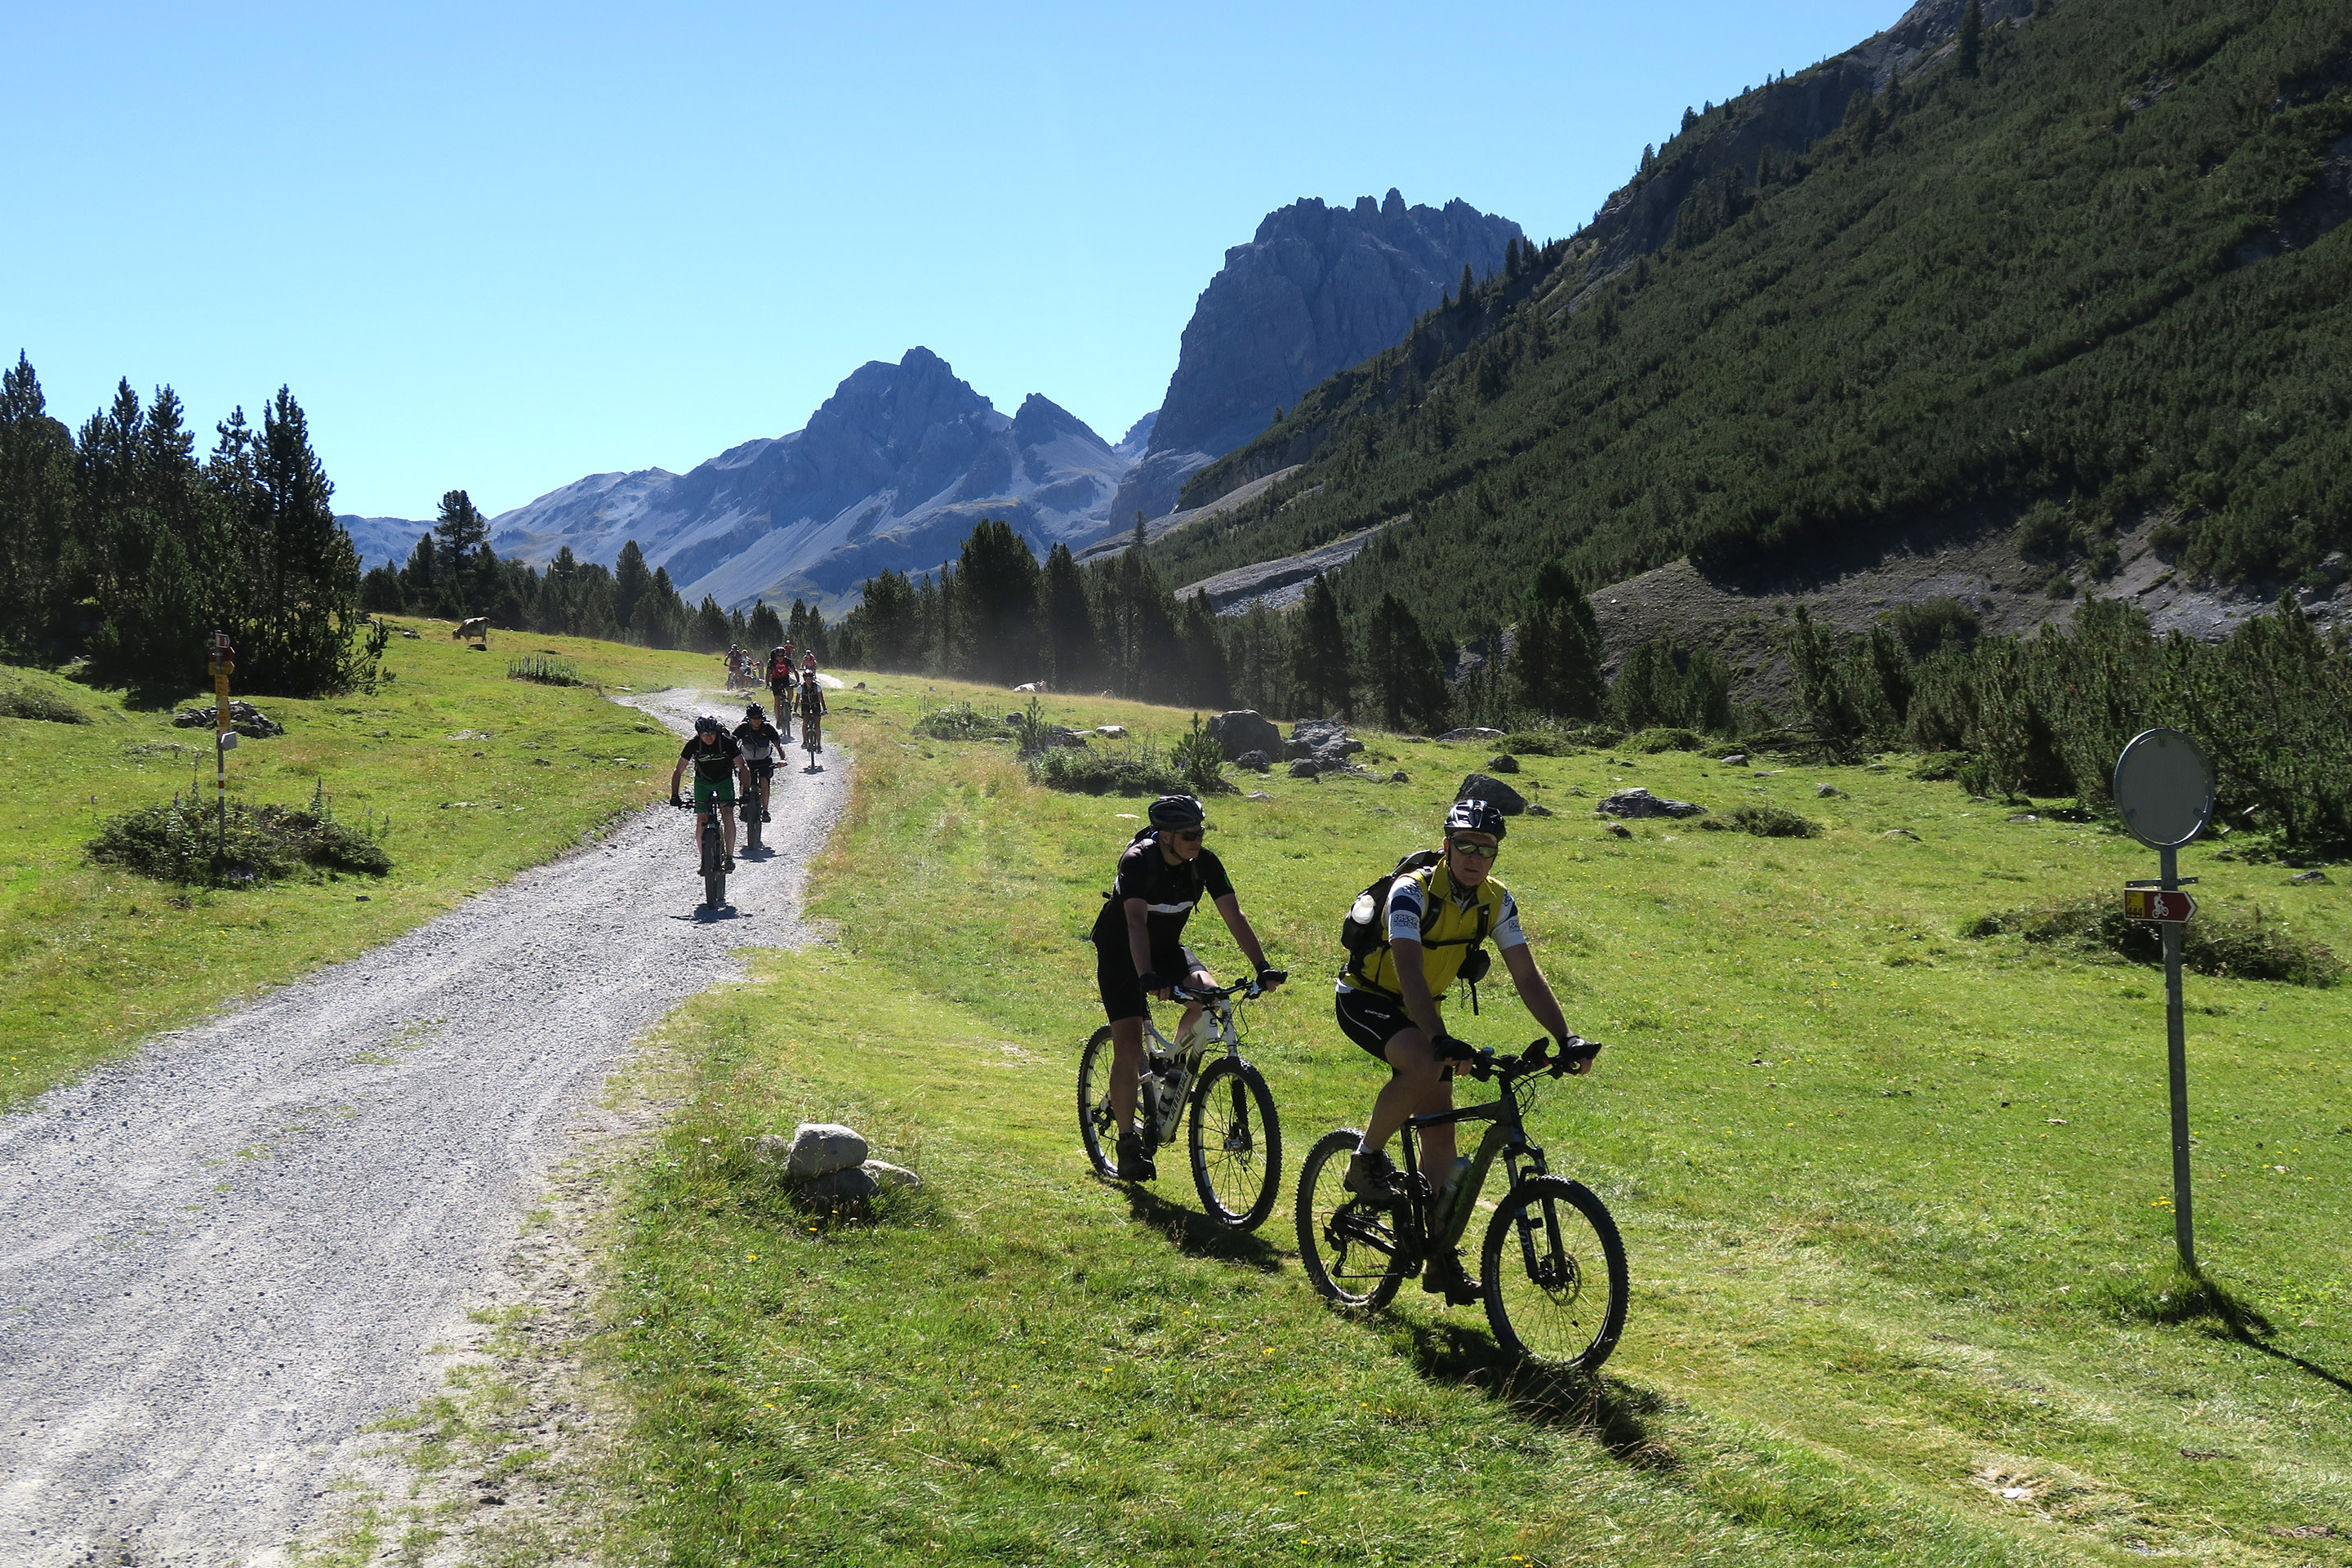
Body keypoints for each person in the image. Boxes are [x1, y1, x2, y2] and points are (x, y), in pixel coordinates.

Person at [1334, 797, 1589, 1304]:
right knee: (1426, 1062)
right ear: (1448, 846)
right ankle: (1364, 1160)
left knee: (1442, 1139)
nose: (1475, 857)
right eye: (1466, 846)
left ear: (1494, 856)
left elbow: (1526, 973)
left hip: (1423, 1011)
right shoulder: (1411, 891)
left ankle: (1438, 1257)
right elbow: (1407, 970)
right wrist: (1437, 1038)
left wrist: (1567, 1037)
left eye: (1486, 850)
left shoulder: (1497, 900)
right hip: (1367, 998)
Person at [1089, 794, 1284, 1182]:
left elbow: (1233, 913)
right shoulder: (1138, 862)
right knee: (1127, 1046)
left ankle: (1171, 1070)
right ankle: (1128, 1143)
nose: (1197, 840)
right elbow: (1134, 926)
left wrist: (1262, 966)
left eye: (1201, 832)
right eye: (1189, 834)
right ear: (1164, 836)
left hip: (1166, 950)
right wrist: (1146, 976)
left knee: (1209, 997)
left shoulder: (1205, 864)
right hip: (1122, 953)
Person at [669, 715, 750, 871]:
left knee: (727, 813)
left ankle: (729, 857)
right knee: (702, 818)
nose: (708, 737)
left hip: (723, 780)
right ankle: (704, 860)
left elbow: (743, 766)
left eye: (712, 733)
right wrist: (674, 795)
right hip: (703, 782)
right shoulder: (693, 744)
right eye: (704, 734)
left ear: (717, 731)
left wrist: (746, 792)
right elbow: (679, 770)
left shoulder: (726, 742)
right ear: (698, 733)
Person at [733, 702, 783, 825]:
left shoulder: (768, 728)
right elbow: (732, 742)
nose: (756, 721)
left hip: (764, 761)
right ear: (749, 718)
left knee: (764, 781)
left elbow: (778, 745)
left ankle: (765, 811)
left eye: (759, 718)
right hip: (746, 761)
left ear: (763, 717)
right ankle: (744, 806)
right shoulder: (743, 728)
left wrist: (783, 758)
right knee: (744, 782)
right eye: (753, 718)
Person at [794, 668, 826, 761]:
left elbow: (821, 699)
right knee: (805, 722)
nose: (809, 680)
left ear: (812, 678)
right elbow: (797, 701)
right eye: (807, 678)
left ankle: (819, 745)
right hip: (806, 706)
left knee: (817, 725)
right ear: (804, 679)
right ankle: (804, 741)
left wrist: (825, 709)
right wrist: (795, 711)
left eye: (810, 678)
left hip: (816, 705)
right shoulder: (800, 688)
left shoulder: (817, 687)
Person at [765, 646, 795, 740]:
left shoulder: (787, 661)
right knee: (777, 700)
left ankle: (788, 705)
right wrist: (767, 684)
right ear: (776, 655)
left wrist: (798, 681)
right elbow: (768, 673)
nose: (780, 657)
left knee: (790, 690)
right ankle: (778, 720)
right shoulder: (772, 662)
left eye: (782, 655)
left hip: (785, 679)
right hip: (775, 680)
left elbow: (795, 671)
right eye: (778, 656)